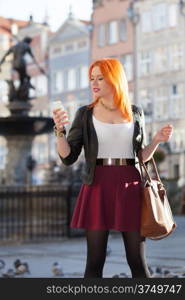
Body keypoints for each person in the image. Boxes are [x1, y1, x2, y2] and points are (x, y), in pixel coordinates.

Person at [52, 58, 173, 278]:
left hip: (131, 185)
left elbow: (140, 157)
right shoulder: (85, 114)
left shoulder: (135, 112)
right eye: (92, 78)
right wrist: (60, 131)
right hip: (97, 185)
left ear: (114, 79)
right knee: (95, 262)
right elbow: (68, 157)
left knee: (137, 262)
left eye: (100, 77)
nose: (94, 83)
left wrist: (155, 141)